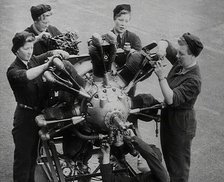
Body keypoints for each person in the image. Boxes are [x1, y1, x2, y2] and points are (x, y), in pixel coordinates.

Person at [6, 31, 69, 182]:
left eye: (31, 48)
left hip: (39, 116)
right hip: (25, 120)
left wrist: (58, 52)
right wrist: (47, 65)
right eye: (25, 49)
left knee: (33, 157)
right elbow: (28, 75)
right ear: (16, 50)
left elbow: (46, 54)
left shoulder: (33, 59)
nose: (29, 52)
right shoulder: (13, 71)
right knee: (23, 161)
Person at [152, 32, 203, 182]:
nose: (178, 56)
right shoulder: (182, 62)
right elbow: (165, 42)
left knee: (178, 171)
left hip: (180, 126)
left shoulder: (194, 80)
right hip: (169, 119)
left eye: (181, 54)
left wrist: (162, 77)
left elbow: (171, 99)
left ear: (193, 55)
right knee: (169, 160)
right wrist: (161, 49)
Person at [100, 130, 168, 182]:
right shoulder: (140, 179)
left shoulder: (162, 178)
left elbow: (150, 155)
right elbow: (109, 180)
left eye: (142, 157)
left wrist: (133, 138)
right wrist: (106, 155)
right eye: (138, 156)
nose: (139, 159)